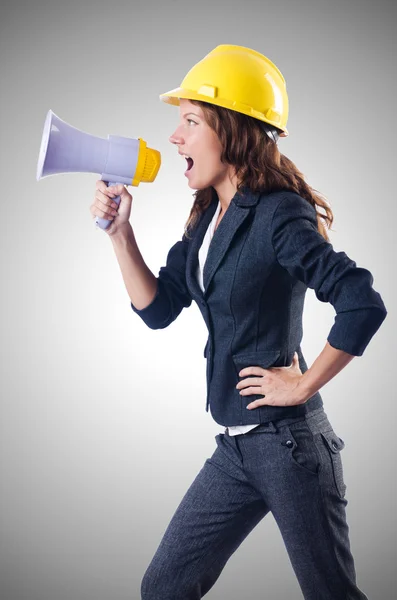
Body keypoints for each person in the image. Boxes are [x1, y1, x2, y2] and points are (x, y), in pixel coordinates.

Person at [90, 45, 387, 599]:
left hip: (289, 447)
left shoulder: (279, 213)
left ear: (232, 129)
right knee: (163, 588)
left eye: (190, 121)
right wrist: (119, 234)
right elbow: (158, 309)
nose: (174, 137)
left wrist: (302, 383)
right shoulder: (207, 213)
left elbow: (362, 303)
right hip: (236, 447)